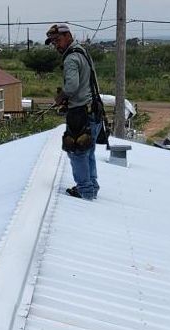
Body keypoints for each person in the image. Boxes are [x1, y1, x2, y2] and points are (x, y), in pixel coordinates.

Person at [46, 22, 105, 200]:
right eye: (53, 42)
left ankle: (85, 191)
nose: (56, 44)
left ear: (68, 37)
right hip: (93, 109)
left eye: (57, 40)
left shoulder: (71, 58)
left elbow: (71, 87)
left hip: (81, 112)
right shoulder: (82, 51)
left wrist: (61, 97)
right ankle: (92, 187)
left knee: (77, 152)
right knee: (88, 151)